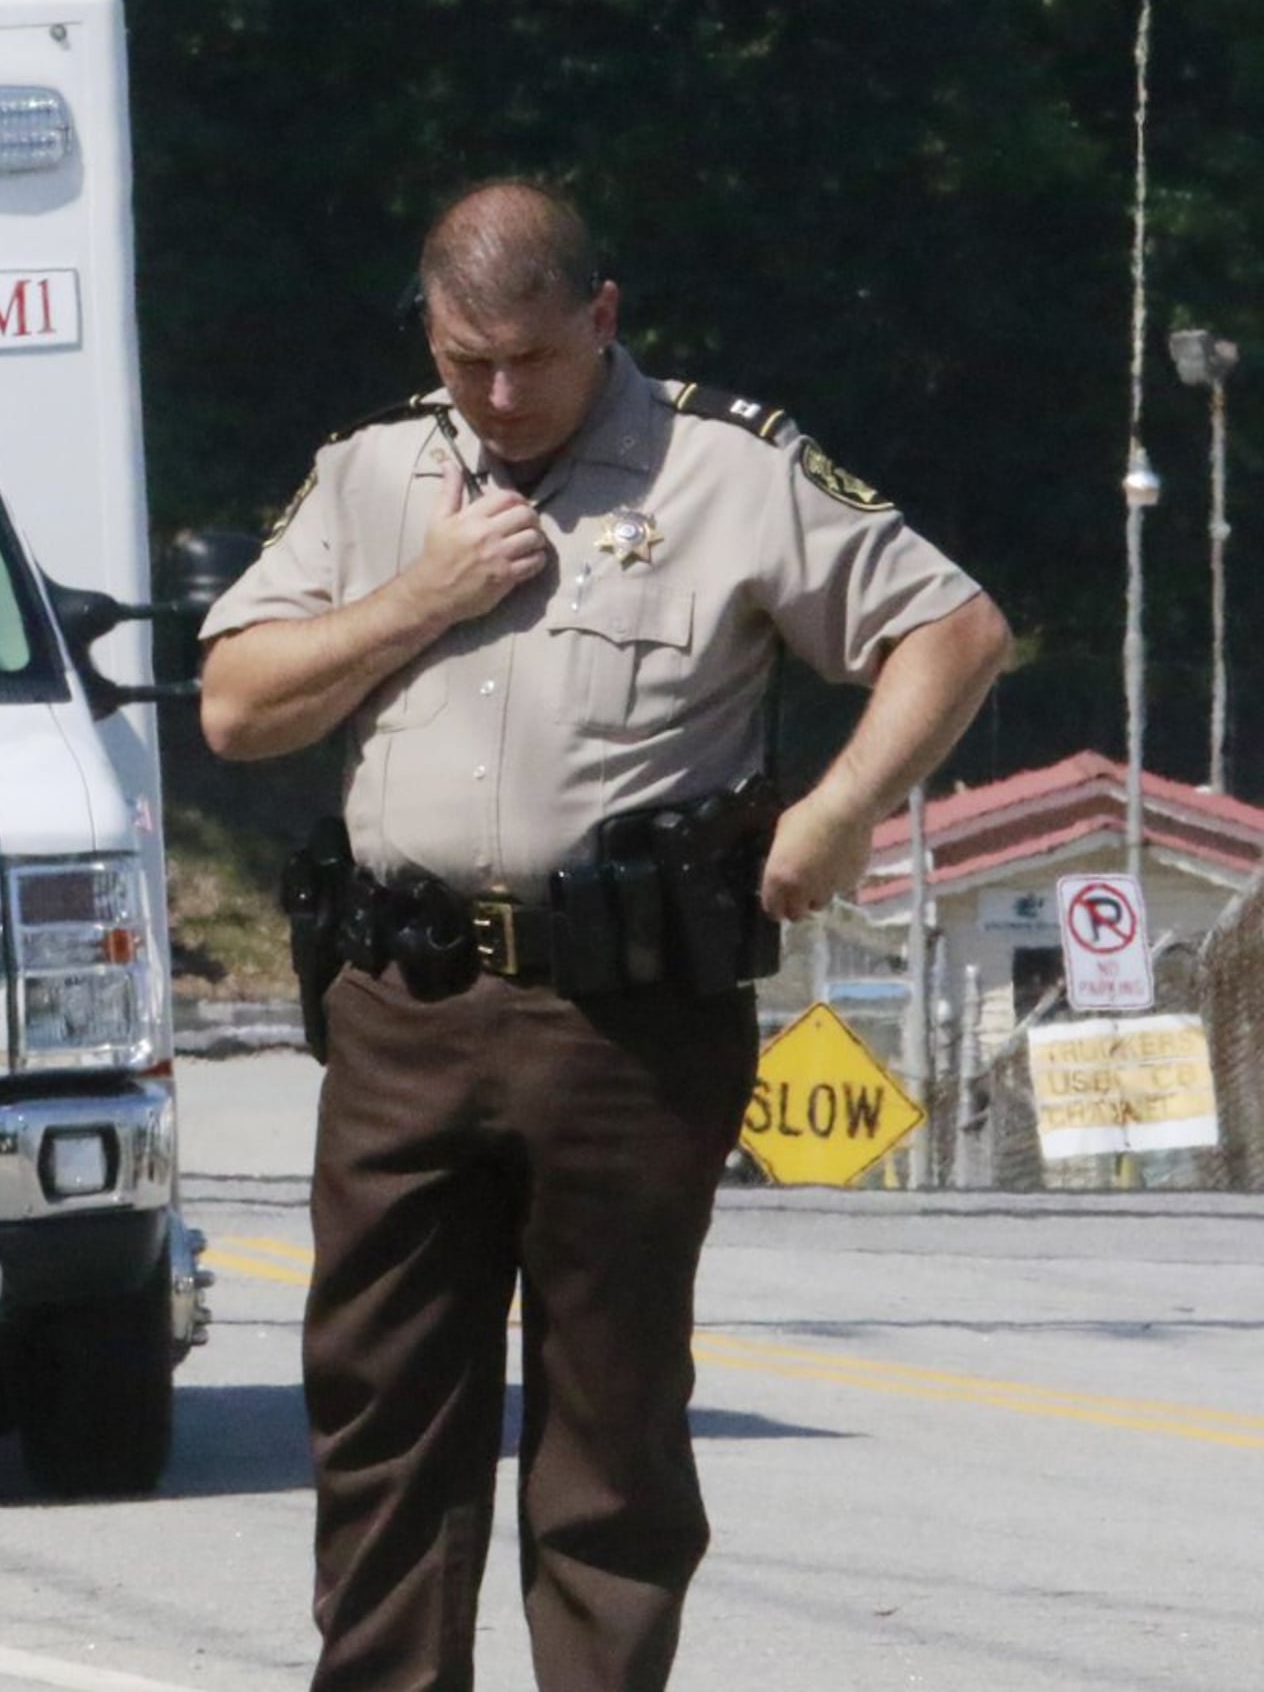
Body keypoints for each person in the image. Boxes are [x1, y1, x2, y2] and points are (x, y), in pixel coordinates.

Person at [198, 181, 1013, 1692]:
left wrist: (837, 812)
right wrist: (418, 598)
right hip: (406, 1008)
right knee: (379, 1413)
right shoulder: (373, 474)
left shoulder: (731, 469)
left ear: (602, 316)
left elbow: (952, 629)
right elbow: (240, 707)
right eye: (463, 360)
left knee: (610, 1427)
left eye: (531, 358)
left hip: (627, 1018)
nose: (499, 396)